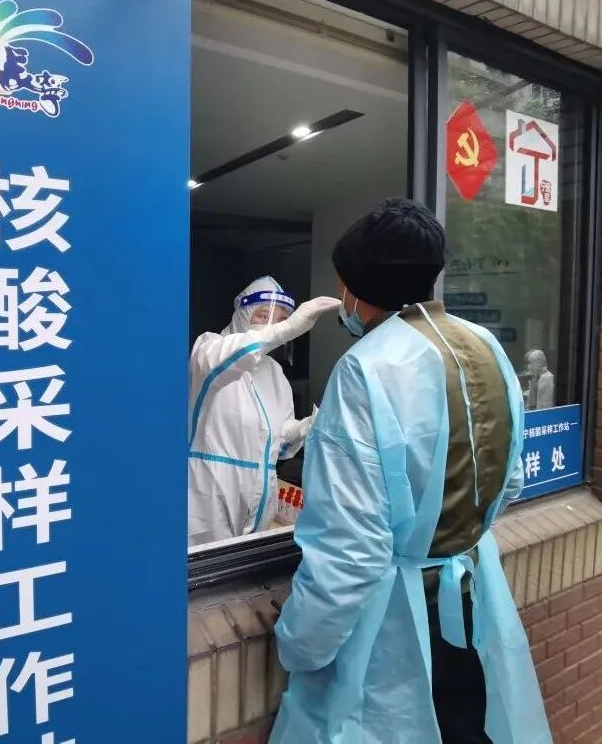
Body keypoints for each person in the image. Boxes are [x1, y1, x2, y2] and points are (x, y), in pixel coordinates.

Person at [270, 200, 551, 744]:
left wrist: (299, 641)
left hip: (393, 623)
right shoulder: (487, 346)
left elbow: (350, 548)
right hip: (474, 595)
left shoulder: (366, 368)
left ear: (357, 288)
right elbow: (511, 479)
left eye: (343, 283)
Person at [188, 276, 339, 546]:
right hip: (211, 490)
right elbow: (227, 358)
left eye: (281, 319)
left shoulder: (274, 372)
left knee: (249, 565)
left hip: (262, 491)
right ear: (242, 313)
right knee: (210, 563)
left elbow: (277, 441)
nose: (272, 325)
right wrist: (285, 329)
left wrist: (307, 426)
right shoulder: (209, 348)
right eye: (263, 315)